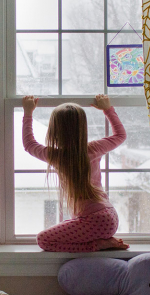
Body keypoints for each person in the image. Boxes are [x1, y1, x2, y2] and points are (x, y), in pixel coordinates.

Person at [22, 94, 129, 253]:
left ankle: (98, 245)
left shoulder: (57, 157)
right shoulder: (93, 149)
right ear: (82, 128)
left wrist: (28, 113)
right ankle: (100, 242)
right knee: (66, 226)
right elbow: (120, 135)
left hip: (94, 220)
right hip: (110, 216)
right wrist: (107, 109)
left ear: (54, 132)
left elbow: (29, 144)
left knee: (43, 239)